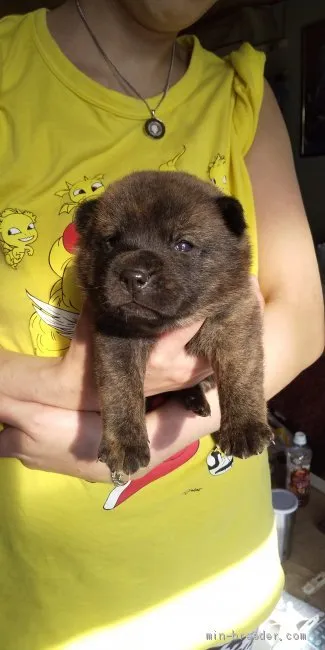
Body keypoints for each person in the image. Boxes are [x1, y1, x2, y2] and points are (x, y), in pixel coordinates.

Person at [0, 1, 323, 648]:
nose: (142, 271)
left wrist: (193, 418)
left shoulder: (238, 94)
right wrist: (51, 388)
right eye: (119, 242)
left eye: (179, 247)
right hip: (56, 607)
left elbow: (303, 317)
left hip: (231, 581)